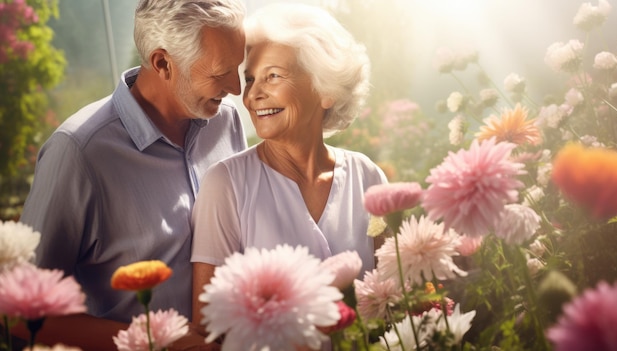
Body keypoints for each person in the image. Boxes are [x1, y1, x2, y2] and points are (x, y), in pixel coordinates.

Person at [14, 0, 247, 350]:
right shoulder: (78, 152)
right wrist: (158, 343)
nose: (236, 88)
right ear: (162, 63)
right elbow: (21, 312)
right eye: (219, 73)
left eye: (238, 67)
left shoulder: (225, 120)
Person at [190, 1, 388, 340]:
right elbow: (208, 331)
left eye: (273, 76)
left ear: (326, 90)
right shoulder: (226, 185)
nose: (252, 95)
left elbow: (392, 301)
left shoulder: (368, 178)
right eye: (250, 79)